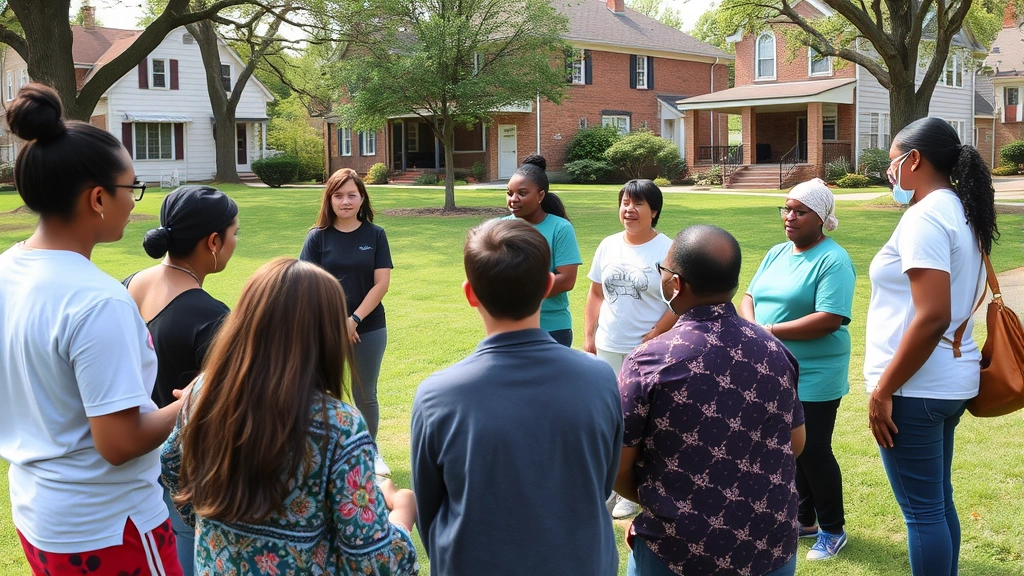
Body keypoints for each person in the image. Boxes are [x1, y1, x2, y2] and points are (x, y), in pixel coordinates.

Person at [0, 83, 184, 575]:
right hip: (111, 527)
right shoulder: (97, 301)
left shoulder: (6, 272)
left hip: (41, 515)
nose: (135, 202)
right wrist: (196, 400)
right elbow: (119, 442)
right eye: (132, 188)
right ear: (98, 198)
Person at [161, 258, 418, 576]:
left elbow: (172, 466)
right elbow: (371, 563)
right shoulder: (340, 427)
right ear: (325, 334)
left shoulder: (203, 392)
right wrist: (403, 514)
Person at [411, 219, 622, 575]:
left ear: (469, 293)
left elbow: (430, 508)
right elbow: (602, 481)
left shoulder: (438, 396)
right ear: (548, 285)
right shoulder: (599, 377)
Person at [616, 225, 806, 576]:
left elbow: (618, 466)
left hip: (678, 550)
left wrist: (665, 507)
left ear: (676, 283)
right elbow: (794, 443)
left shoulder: (649, 361)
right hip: (769, 542)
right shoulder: (775, 351)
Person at [865, 117, 997, 576]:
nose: (889, 172)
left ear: (914, 160)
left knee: (922, 513)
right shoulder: (962, 209)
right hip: (948, 381)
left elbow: (933, 314)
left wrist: (883, 389)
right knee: (937, 504)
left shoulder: (925, 216)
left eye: (891, 162)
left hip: (915, 389)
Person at [124, 185, 239, 575]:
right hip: (184, 471)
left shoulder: (127, 286)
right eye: (234, 233)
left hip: (129, 455)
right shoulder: (211, 318)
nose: (235, 242)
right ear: (213, 241)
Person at [740, 178, 855, 560]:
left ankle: (833, 530)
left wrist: (767, 331)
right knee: (789, 448)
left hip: (816, 371)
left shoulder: (833, 259)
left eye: (799, 211)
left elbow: (830, 318)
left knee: (814, 450)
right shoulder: (776, 252)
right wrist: (752, 327)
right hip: (774, 367)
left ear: (821, 217)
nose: (789, 217)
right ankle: (803, 520)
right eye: (786, 209)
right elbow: (749, 295)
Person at [583, 179, 676, 519]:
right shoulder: (608, 246)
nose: (629, 209)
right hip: (608, 346)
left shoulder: (668, 250)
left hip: (649, 352)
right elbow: (595, 294)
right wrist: (589, 336)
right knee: (610, 418)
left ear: (655, 211)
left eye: (638, 203)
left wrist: (655, 334)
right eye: (624, 202)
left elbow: (677, 301)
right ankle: (610, 485)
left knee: (645, 421)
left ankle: (633, 490)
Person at [300, 168, 394, 477]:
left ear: (362, 197)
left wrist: (353, 319)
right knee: (320, 390)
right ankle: (322, 456)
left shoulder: (375, 235)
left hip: (368, 326)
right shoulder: (317, 238)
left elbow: (381, 284)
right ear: (329, 200)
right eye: (338, 195)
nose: (345, 201)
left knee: (365, 393)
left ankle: (370, 453)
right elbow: (307, 284)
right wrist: (337, 322)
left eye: (352, 195)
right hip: (323, 328)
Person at [502, 154, 582, 346]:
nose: (513, 199)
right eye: (509, 192)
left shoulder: (560, 228)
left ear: (540, 195)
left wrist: (521, 291)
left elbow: (567, 280)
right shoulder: (499, 228)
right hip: (509, 327)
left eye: (522, 193)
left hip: (552, 329)